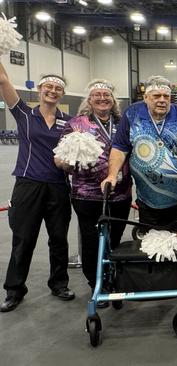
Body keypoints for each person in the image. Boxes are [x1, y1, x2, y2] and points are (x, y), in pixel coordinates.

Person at [0, 62, 76, 313]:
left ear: (62, 94)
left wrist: (69, 164)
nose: (52, 91)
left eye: (57, 88)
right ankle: (14, 290)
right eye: (48, 87)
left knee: (58, 239)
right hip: (28, 184)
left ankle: (59, 283)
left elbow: (77, 151)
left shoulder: (70, 121)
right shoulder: (24, 113)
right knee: (23, 238)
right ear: (40, 89)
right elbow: (3, 80)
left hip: (58, 186)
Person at [54, 80, 131, 308]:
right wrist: (65, 161)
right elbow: (61, 157)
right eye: (96, 95)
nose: (102, 98)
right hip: (87, 195)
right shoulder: (77, 124)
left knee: (114, 241)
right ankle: (96, 283)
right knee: (91, 242)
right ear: (89, 99)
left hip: (120, 193)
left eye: (106, 94)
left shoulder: (122, 123)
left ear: (113, 99)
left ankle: (113, 279)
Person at [101, 75, 177, 240]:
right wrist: (112, 175)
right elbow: (120, 148)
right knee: (153, 245)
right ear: (145, 97)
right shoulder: (132, 113)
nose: (162, 100)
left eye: (166, 96)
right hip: (148, 197)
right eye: (156, 96)